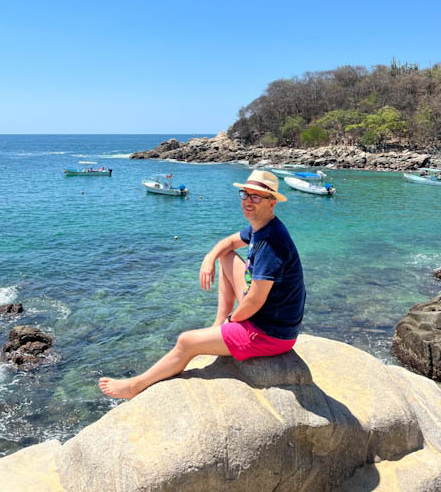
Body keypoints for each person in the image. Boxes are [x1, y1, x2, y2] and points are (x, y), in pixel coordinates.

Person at [99, 170, 306, 399]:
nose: (248, 201)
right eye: (245, 195)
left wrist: (232, 320)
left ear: (272, 203)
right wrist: (209, 258)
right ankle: (218, 325)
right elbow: (228, 242)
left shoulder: (271, 241)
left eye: (256, 197)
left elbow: (256, 300)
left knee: (186, 342)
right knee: (225, 256)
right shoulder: (262, 227)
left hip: (270, 333)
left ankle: (134, 386)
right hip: (269, 315)